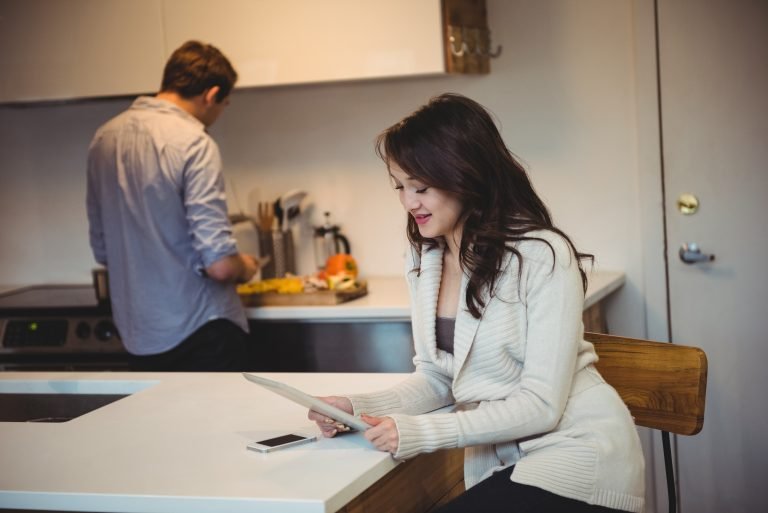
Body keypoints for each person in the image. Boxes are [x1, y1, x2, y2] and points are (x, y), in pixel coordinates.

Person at [309, 93, 645, 512]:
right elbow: (437, 378)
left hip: (578, 457)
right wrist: (357, 408)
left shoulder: (541, 254)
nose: (408, 202)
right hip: (509, 464)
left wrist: (420, 433)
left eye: (422, 187)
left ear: (465, 176)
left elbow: (541, 407)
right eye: (400, 187)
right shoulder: (424, 258)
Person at [86, 40, 259, 371]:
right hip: (201, 329)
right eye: (224, 104)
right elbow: (219, 265)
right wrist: (246, 266)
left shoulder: (103, 139)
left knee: (160, 424)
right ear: (210, 95)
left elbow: (102, 249)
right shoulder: (194, 142)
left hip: (138, 335)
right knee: (216, 423)